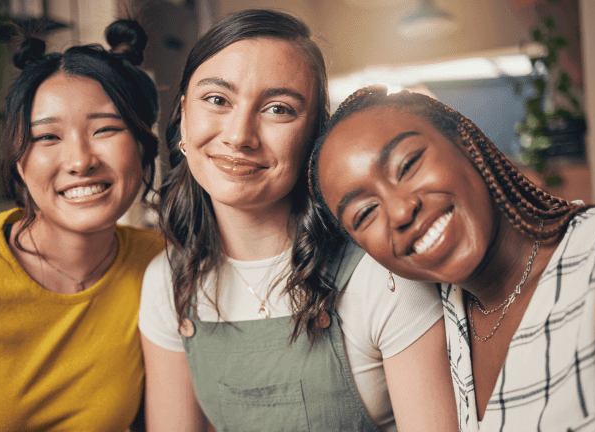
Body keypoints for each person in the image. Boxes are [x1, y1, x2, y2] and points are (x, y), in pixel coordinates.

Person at [138, 9, 456, 432]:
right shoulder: (167, 284)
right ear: (182, 115)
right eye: (217, 100)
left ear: (314, 135)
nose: (239, 135)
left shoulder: (383, 276)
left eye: (278, 109)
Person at [309, 85, 595, 431]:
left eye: (409, 164)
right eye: (365, 213)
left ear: (466, 142)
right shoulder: (445, 316)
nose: (401, 211)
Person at [0, 20, 165, 431]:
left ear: (144, 148)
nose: (80, 161)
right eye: (47, 137)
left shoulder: (162, 264)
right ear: (20, 161)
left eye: (106, 129)